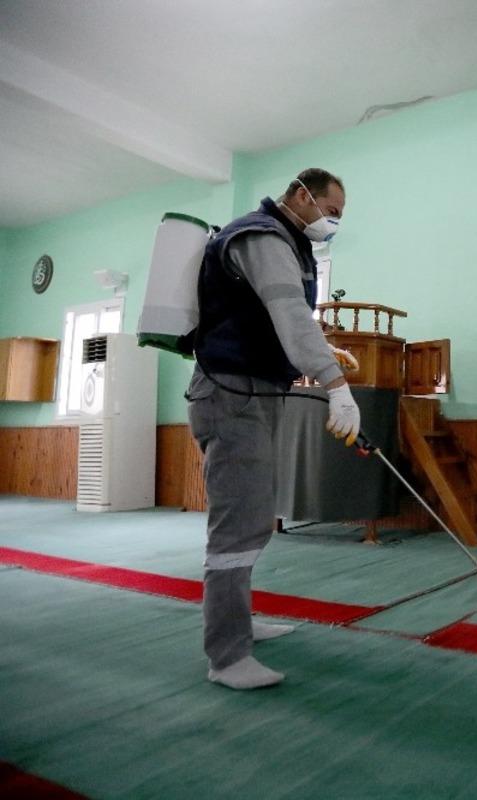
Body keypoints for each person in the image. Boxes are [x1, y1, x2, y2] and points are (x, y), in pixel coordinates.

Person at [186, 168, 361, 690]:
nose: (332, 222)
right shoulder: (260, 235)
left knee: (255, 515)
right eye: (330, 210)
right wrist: (335, 385)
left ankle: (240, 621)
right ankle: (227, 656)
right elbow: (287, 312)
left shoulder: (286, 241)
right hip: (230, 394)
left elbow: (270, 318)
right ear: (300, 195)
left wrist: (324, 351)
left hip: (254, 392)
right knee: (238, 523)